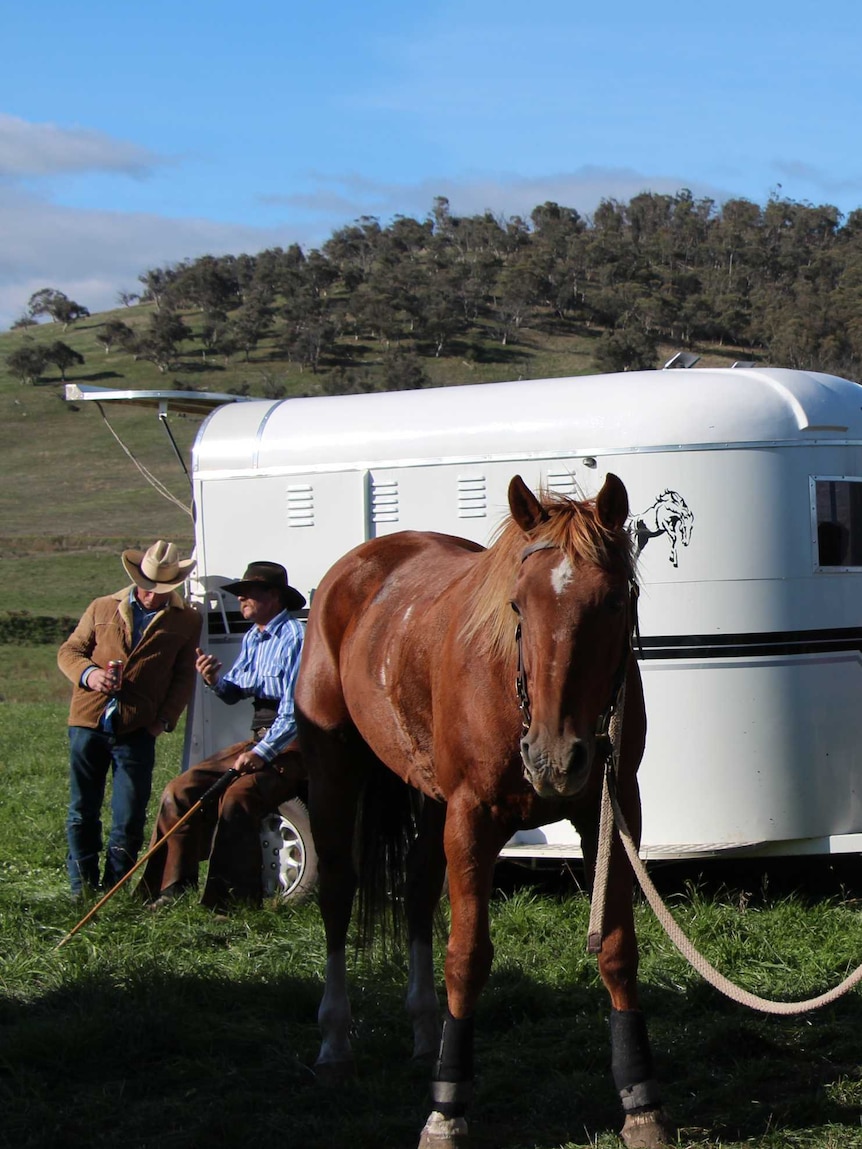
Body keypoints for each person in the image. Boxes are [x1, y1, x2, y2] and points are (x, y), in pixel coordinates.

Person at [139, 561, 306, 911]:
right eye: (241, 593)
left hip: (293, 743)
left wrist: (262, 752)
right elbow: (235, 691)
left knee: (238, 798)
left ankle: (229, 901)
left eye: (249, 593)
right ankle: (171, 888)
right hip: (260, 736)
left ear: (273, 596)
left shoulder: (296, 638)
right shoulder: (253, 637)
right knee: (180, 789)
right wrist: (215, 680)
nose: (241, 598)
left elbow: (295, 711)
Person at [57, 540, 201, 896]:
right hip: (88, 723)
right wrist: (91, 675)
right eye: (148, 587)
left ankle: (114, 889)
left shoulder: (186, 620)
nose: (152, 596)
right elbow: (70, 651)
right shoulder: (102, 607)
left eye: (161, 590)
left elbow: (184, 676)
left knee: (129, 815)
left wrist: (163, 720)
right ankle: (81, 888)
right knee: (82, 809)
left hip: (137, 728)